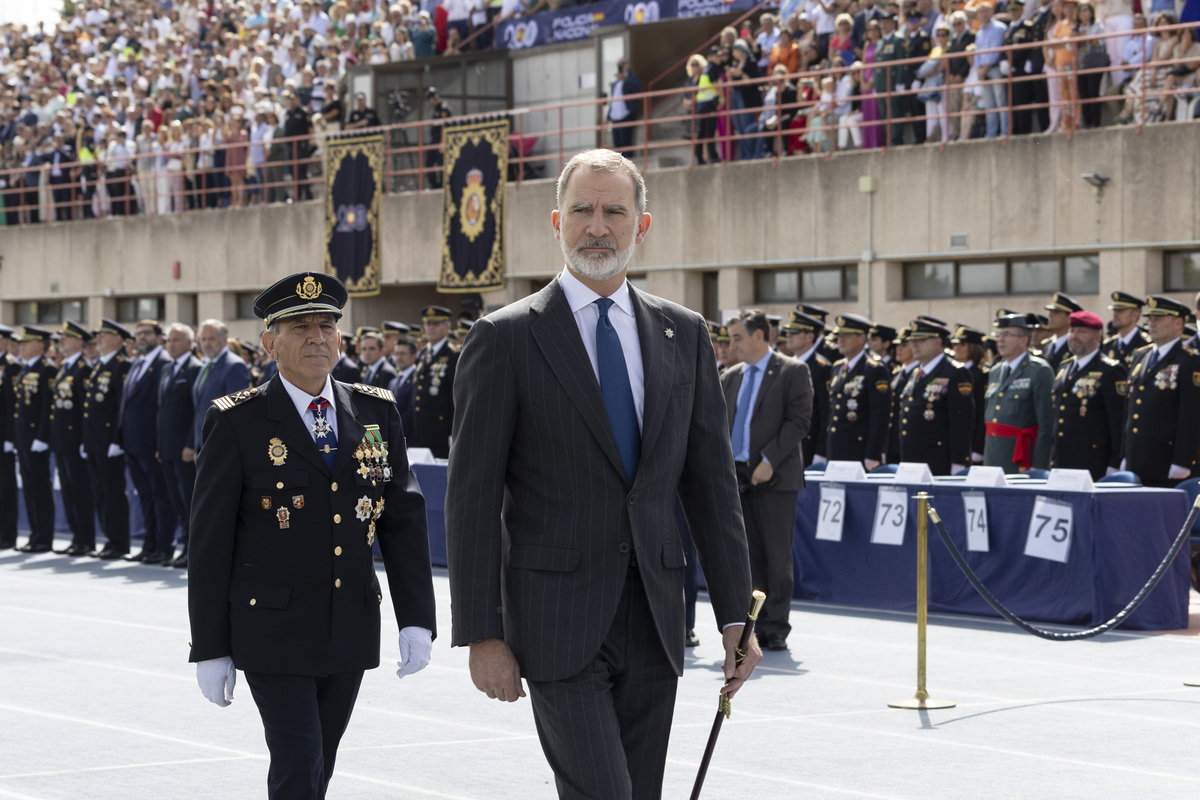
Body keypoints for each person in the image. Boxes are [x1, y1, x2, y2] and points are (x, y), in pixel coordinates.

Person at [445, 150, 759, 800]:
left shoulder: (685, 334)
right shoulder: (504, 340)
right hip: (555, 624)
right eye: (583, 211)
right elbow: (472, 500)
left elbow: (710, 490)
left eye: (614, 211)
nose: (597, 227)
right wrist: (482, 633)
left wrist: (737, 615)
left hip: (656, 620)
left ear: (641, 225)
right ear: (557, 222)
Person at [188, 270, 436, 800]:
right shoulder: (238, 422)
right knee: (299, 757)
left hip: (348, 621)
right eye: (299, 327)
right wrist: (210, 646)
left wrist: (416, 618)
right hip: (270, 628)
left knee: (320, 760)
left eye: (326, 326)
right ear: (269, 342)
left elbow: (403, 520)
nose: (316, 337)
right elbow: (209, 542)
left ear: (341, 340)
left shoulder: (375, 412)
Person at [721, 309, 812, 652]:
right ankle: (752, 625)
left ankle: (776, 627)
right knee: (747, 559)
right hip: (738, 477)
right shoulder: (730, 377)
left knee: (777, 558)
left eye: (738, 337)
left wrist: (770, 460)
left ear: (759, 336)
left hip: (775, 479)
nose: (732, 345)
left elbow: (798, 422)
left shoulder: (792, 371)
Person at [1120, 295, 1200, 488]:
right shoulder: (1141, 356)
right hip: (1137, 459)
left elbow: (1191, 416)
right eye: (1150, 318)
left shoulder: (1189, 361)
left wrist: (1182, 460)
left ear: (1177, 323)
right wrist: (1124, 454)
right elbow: (1129, 411)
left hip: (1167, 462)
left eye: (1159, 318)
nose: (1151, 323)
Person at [121, 319, 177, 564]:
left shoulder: (163, 362)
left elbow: (161, 408)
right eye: (138, 333)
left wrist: (159, 443)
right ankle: (149, 544)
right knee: (144, 495)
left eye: (146, 333)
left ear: (158, 337)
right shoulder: (138, 363)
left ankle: (164, 547)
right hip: (132, 442)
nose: (141, 337)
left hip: (152, 444)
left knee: (160, 496)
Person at [1049, 311, 1127, 480]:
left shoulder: (1110, 370)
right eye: (1072, 331)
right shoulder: (1064, 368)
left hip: (1093, 462)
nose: (1074, 336)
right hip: (1062, 459)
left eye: (1082, 332)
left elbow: (1119, 422)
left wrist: (1115, 463)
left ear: (1097, 337)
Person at [82, 319, 133, 559]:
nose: (99, 338)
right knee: (100, 492)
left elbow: (120, 408)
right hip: (94, 441)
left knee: (112, 493)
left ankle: (119, 541)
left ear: (118, 338)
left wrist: (117, 439)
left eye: (104, 335)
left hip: (109, 442)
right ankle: (109, 538)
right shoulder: (100, 365)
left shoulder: (120, 366)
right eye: (99, 335)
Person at [897, 319, 974, 474]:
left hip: (938, 460)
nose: (914, 345)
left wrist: (958, 462)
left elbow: (962, 422)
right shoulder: (916, 373)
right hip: (911, 458)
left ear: (938, 341)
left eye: (921, 340)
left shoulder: (954, 372)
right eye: (912, 340)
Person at [982, 312, 1054, 473]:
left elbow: (1046, 423)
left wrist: (1039, 465)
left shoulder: (1038, 370)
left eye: (1007, 334)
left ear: (1023, 340)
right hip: (993, 456)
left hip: (1021, 459)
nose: (1000, 339)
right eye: (998, 334)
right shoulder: (995, 371)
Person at [49, 321, 98, 556]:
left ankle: (86, 539)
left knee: (80, 492)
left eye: (65, 338)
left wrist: (83, 441)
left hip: (75, 441)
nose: (61, 342)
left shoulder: (83, 369)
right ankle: (77, 537)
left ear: (79, 341)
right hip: (61, 441)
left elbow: (84, 411)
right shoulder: (65, 367)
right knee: (68, 492)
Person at [157, 322, 202, 569]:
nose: (170, 345)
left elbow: (196, 411)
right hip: (167, 447)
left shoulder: (194, 368)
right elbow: (162, 410)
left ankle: (189, 549)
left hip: (184, 450)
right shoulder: (167, 368)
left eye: (175, 340)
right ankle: (181, 546)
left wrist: (189, 444)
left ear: (189, 343)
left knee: (187, 502)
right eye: (168, 340)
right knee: (175, 500)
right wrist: (159, 444)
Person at [825, 313, 892, 469]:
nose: (840, 340)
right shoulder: (838, 367)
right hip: (836, 449)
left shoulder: (874, 369)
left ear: (862, 338)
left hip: (859, 451)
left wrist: (872, 455)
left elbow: (880, 416)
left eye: (846, 336)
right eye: (838, 336)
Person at [13, 326, 57, 552]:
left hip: (36, 440)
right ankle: (35, 534)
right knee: (29, 488)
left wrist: (42, 437)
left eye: (27, 342)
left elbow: (48, 408)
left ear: (40, 344)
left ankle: (43, 537)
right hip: (23, 438)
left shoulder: (46, 369)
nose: (21, 345)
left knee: (39, 487)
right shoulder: (26, 368)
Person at [191, 319, 252, 457]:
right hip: (205, 443)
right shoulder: (207, 364)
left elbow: (238, 411)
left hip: (222, 445)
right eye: (203, 339)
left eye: (211, 339)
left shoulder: (234, 365)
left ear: (223, 340)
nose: (206, 343)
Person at [410, 305, 460, 458]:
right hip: (420, 430)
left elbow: (456, 396)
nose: (431, 328)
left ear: (447, 327)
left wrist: (453, 433)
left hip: (440, 433)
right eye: (428, 324)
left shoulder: (453, 355)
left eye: (436, 324)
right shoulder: (424, 353)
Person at [783, 310, 831, 467]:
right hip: (785, 445)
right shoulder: (785, 365)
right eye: (787, 331)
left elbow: (826, 414)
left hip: (809, 447)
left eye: (794, 331)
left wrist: (821, 451)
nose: (788, 335)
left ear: (810, 336)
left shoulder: (820, 368)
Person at [950, 323, 989, 463]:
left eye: (963, 344)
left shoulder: (982, 375)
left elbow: (982, 413)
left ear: (973, 347)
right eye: (955, 344)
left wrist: (978, 448)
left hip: (973, 444)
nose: (957, 348)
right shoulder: (952, 372)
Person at [0, 325, 17, 550]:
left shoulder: (12, 367)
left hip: (3, 435)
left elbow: (12, 406)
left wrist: (10, 437)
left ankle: (6, 534)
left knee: (5, 488)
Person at [1101, 291, 1152, 365]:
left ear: (1135, 315)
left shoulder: (1146, 343)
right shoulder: (1108, 345)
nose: (1115, 314)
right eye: (1114, 310)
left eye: (1120, 310)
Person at [1038, 291, 1084, 372]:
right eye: (1050, 312)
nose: (1050, 316)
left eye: (1056, 313)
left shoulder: (1076, 344)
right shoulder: (1046, 345)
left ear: (1069, 318)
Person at [608, 58, 642, 159]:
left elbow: (636, 88)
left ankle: (627, 165)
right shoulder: (616, 83)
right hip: (615, 117)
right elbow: (614, 99)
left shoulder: (632, 78)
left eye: (623, 63)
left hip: (626, 115)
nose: (621, 65)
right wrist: (608, 115)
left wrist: (625, 80)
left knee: (626, 142)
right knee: (617, 143)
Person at [386, 336, 419, 440]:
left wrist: (393, 430)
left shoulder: (418, 379)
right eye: (397, 354)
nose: (399, 358)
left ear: (413, 356)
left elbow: (411, 413)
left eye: (403, 354)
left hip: (411, 439)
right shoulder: (393, 381)